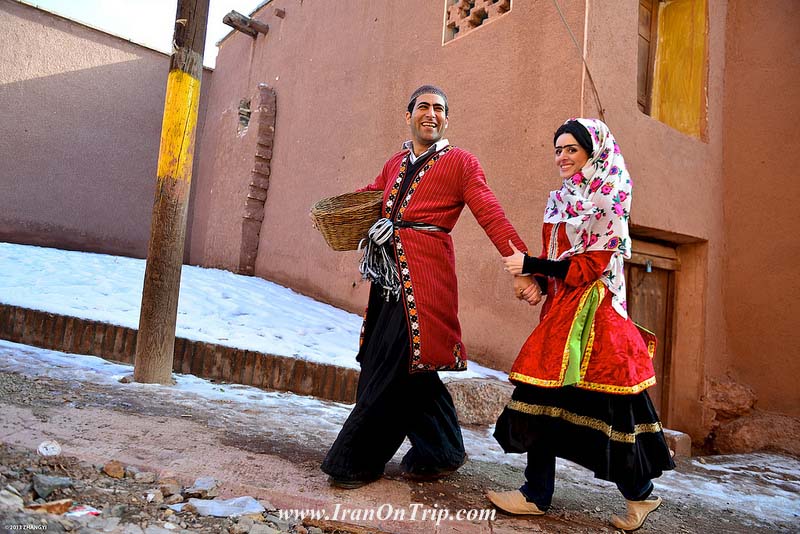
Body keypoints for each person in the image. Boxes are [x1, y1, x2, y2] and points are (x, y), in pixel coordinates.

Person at [319, 85, 540, 489]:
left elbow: (490, 211)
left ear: (447, 119)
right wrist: (339, 208)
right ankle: (442, 451)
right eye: (424, 106)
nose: (432, 114)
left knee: (394, 366)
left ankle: (354, 460)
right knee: (396, 365)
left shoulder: (461, 163)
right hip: (388, 279)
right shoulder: (395, 164)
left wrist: (521, 266)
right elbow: (372, 198)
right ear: (409, 116)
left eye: (440, 109)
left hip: (426, 282)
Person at [488, 118, 675, 532]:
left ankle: (639, 495)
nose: (562, 157)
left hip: (596, 315)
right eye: (557, 149)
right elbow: (556, 253)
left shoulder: (611, 196)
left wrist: (533, 266)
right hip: (562, 309)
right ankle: (535, 493)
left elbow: (593, 264)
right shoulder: (561, 199)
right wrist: (537, 280)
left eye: (571, 148)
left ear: (594, 150)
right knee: (542, 397)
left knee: (611, 406)